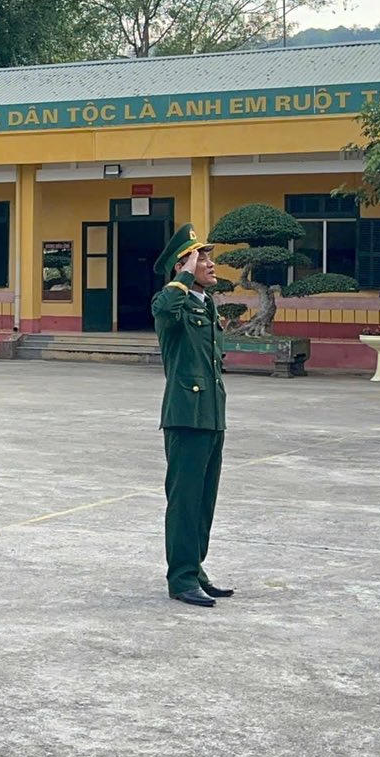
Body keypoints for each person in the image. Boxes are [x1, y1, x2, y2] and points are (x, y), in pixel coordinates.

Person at [152, 224, 232, 609]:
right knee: (184, 500)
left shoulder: (206, 303)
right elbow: (165, 307)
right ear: (184, 265)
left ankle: (195, 568)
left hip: (212, 415)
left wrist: (191, 277)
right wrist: (183, 274)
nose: (211, 263)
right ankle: (180, 578)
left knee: (204, 499)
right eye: (203, 257)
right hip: (185, 416)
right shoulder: (173, 304)